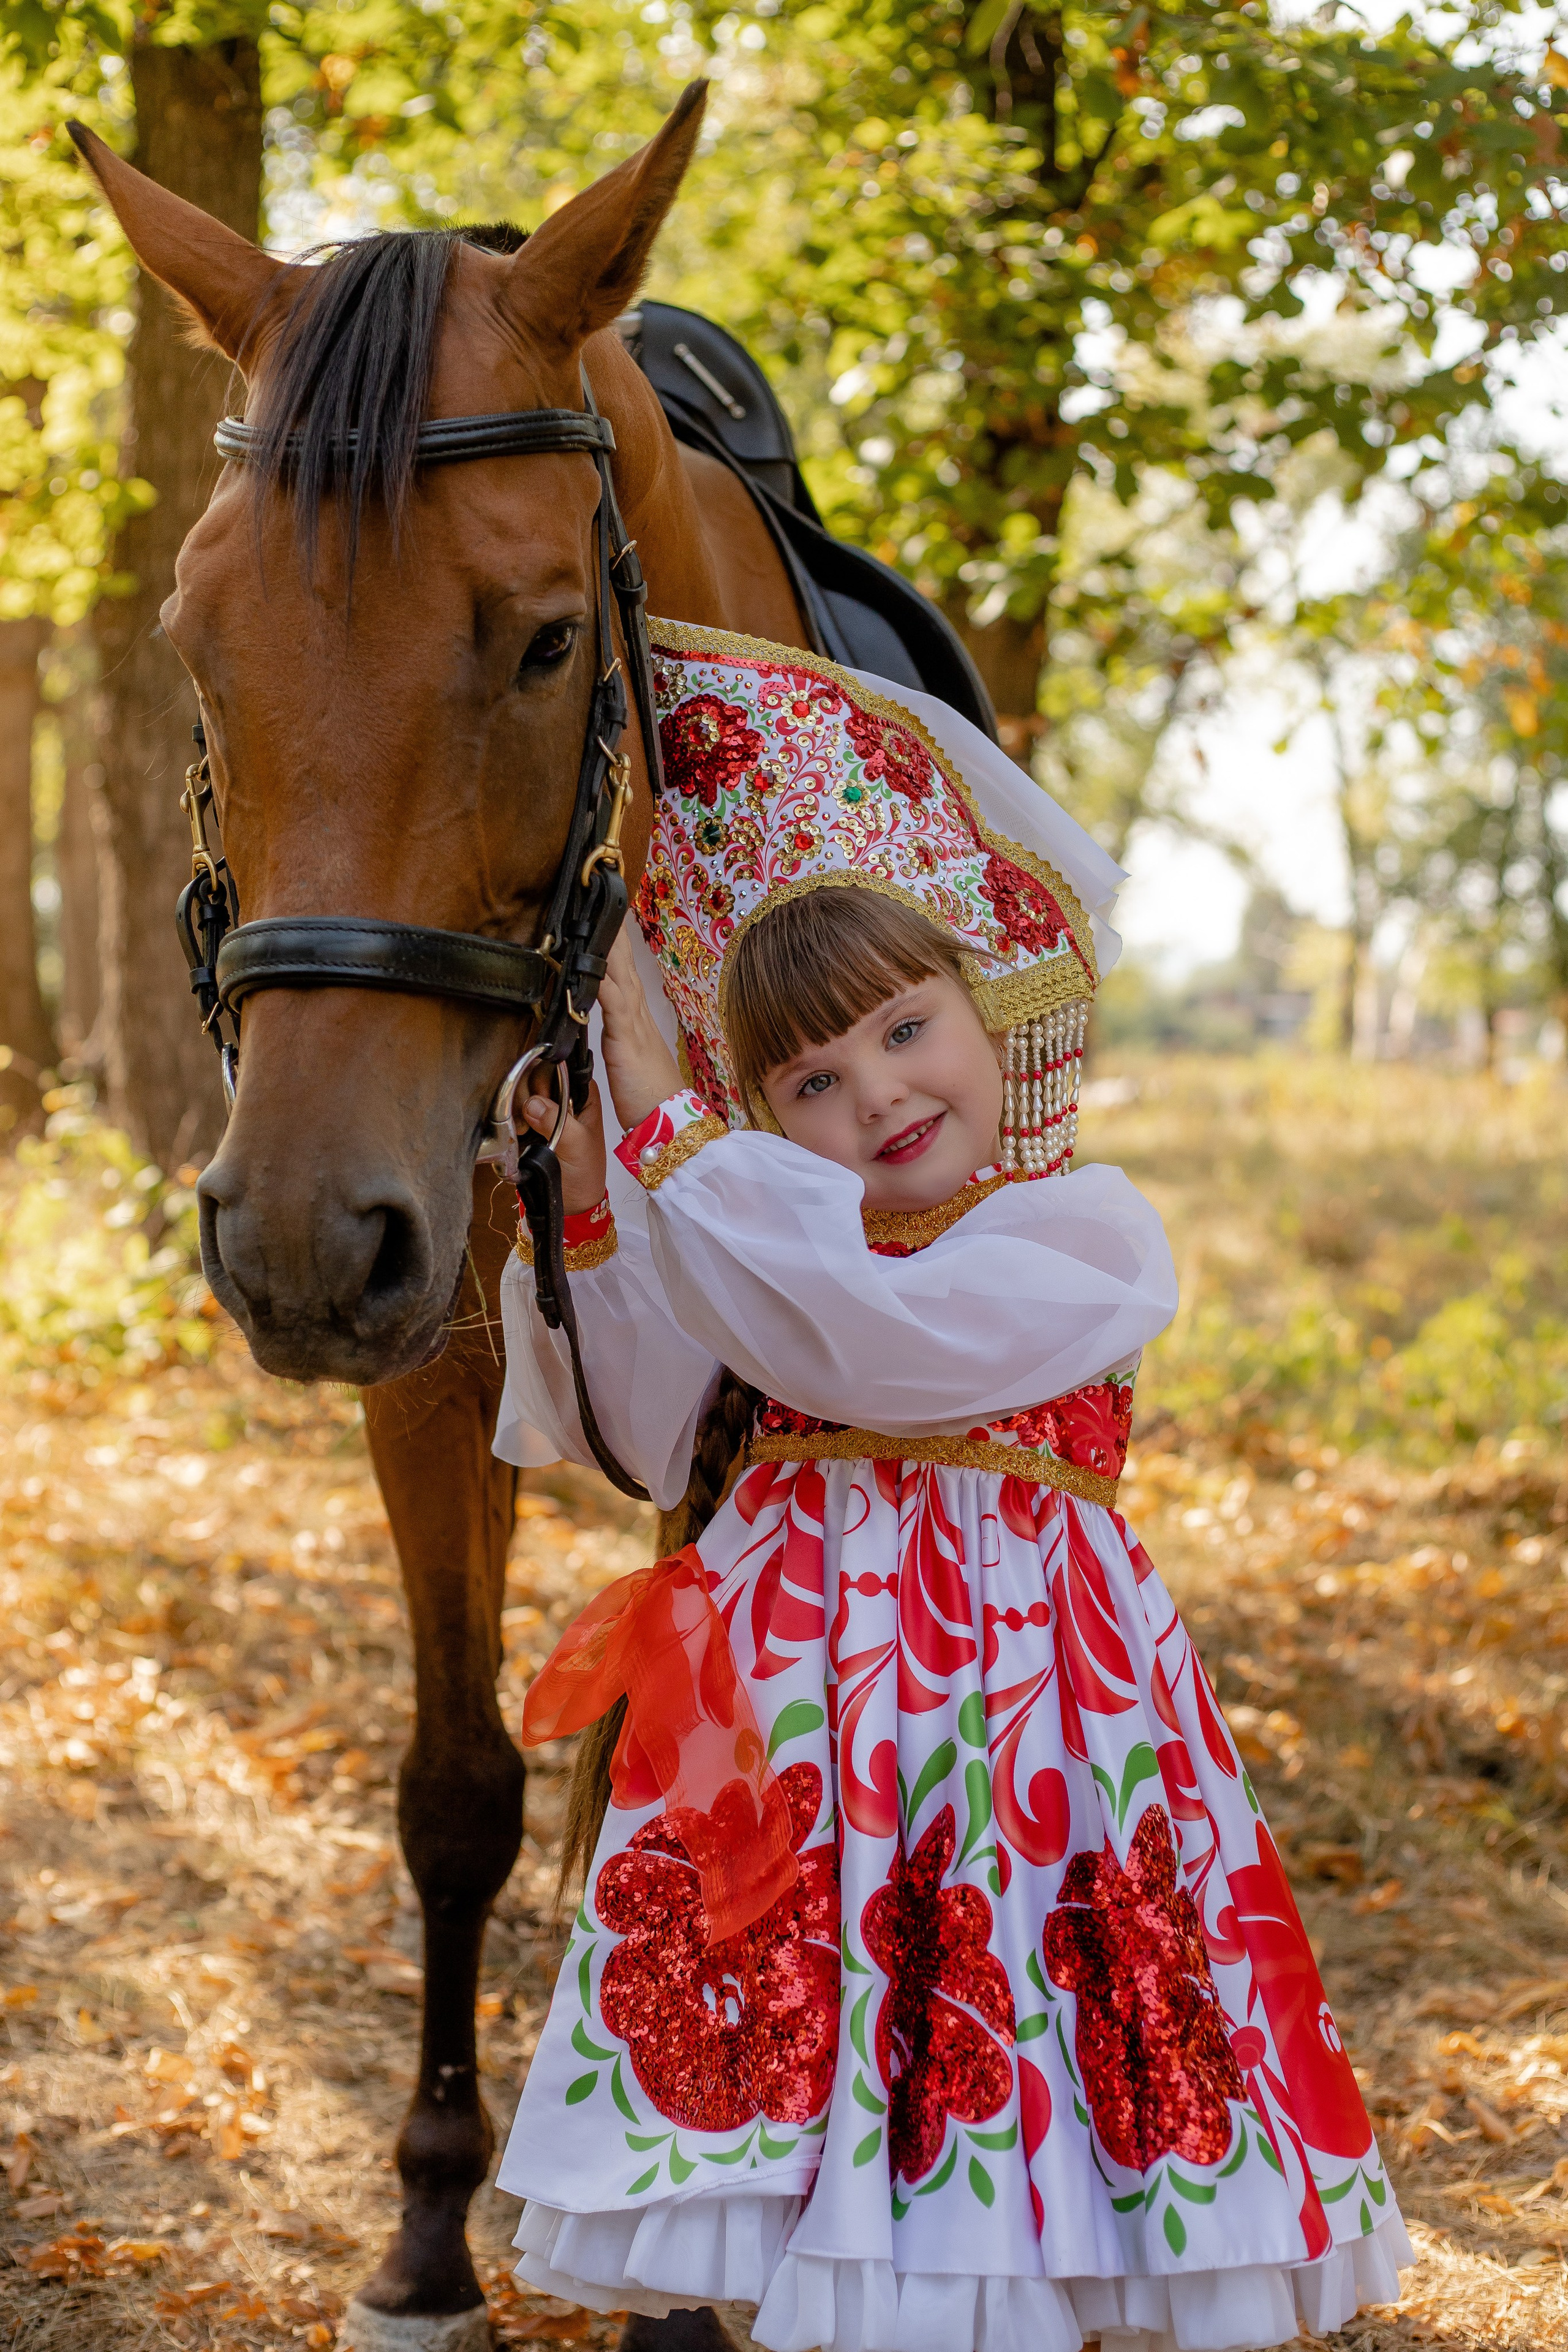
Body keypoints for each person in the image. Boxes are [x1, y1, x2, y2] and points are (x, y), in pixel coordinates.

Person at [490, 623, 1409, 2352]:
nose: (880, 1095)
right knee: (820, 2029)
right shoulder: (755, 1243)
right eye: (812, 1085)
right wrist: (598, 1185)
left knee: (1009, 2002)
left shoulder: (1082, 1231)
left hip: (1021, 1706)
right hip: (805, 1707)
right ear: (773, 1114)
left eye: (907, 1029)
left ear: (988, 1017)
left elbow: (873, 1347)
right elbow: (630, 1413)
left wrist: (685, 1139)